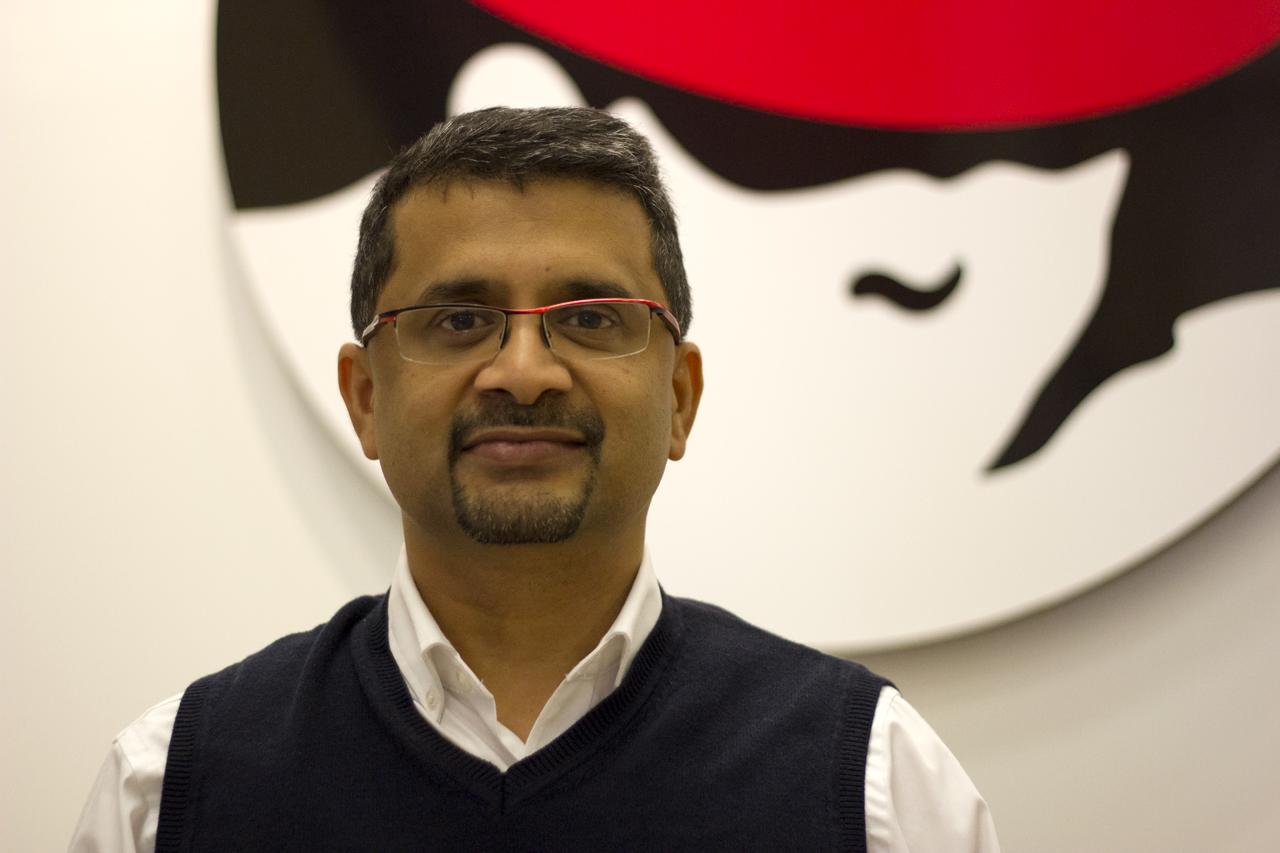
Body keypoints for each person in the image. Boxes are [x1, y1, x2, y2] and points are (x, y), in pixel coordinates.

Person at [70, 106, 1000, 852]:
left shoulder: (872, 786)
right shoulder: (170, 791)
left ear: (680, 397)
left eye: (591, 318)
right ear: (365, 398)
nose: (523, 372)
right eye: (458, 320)